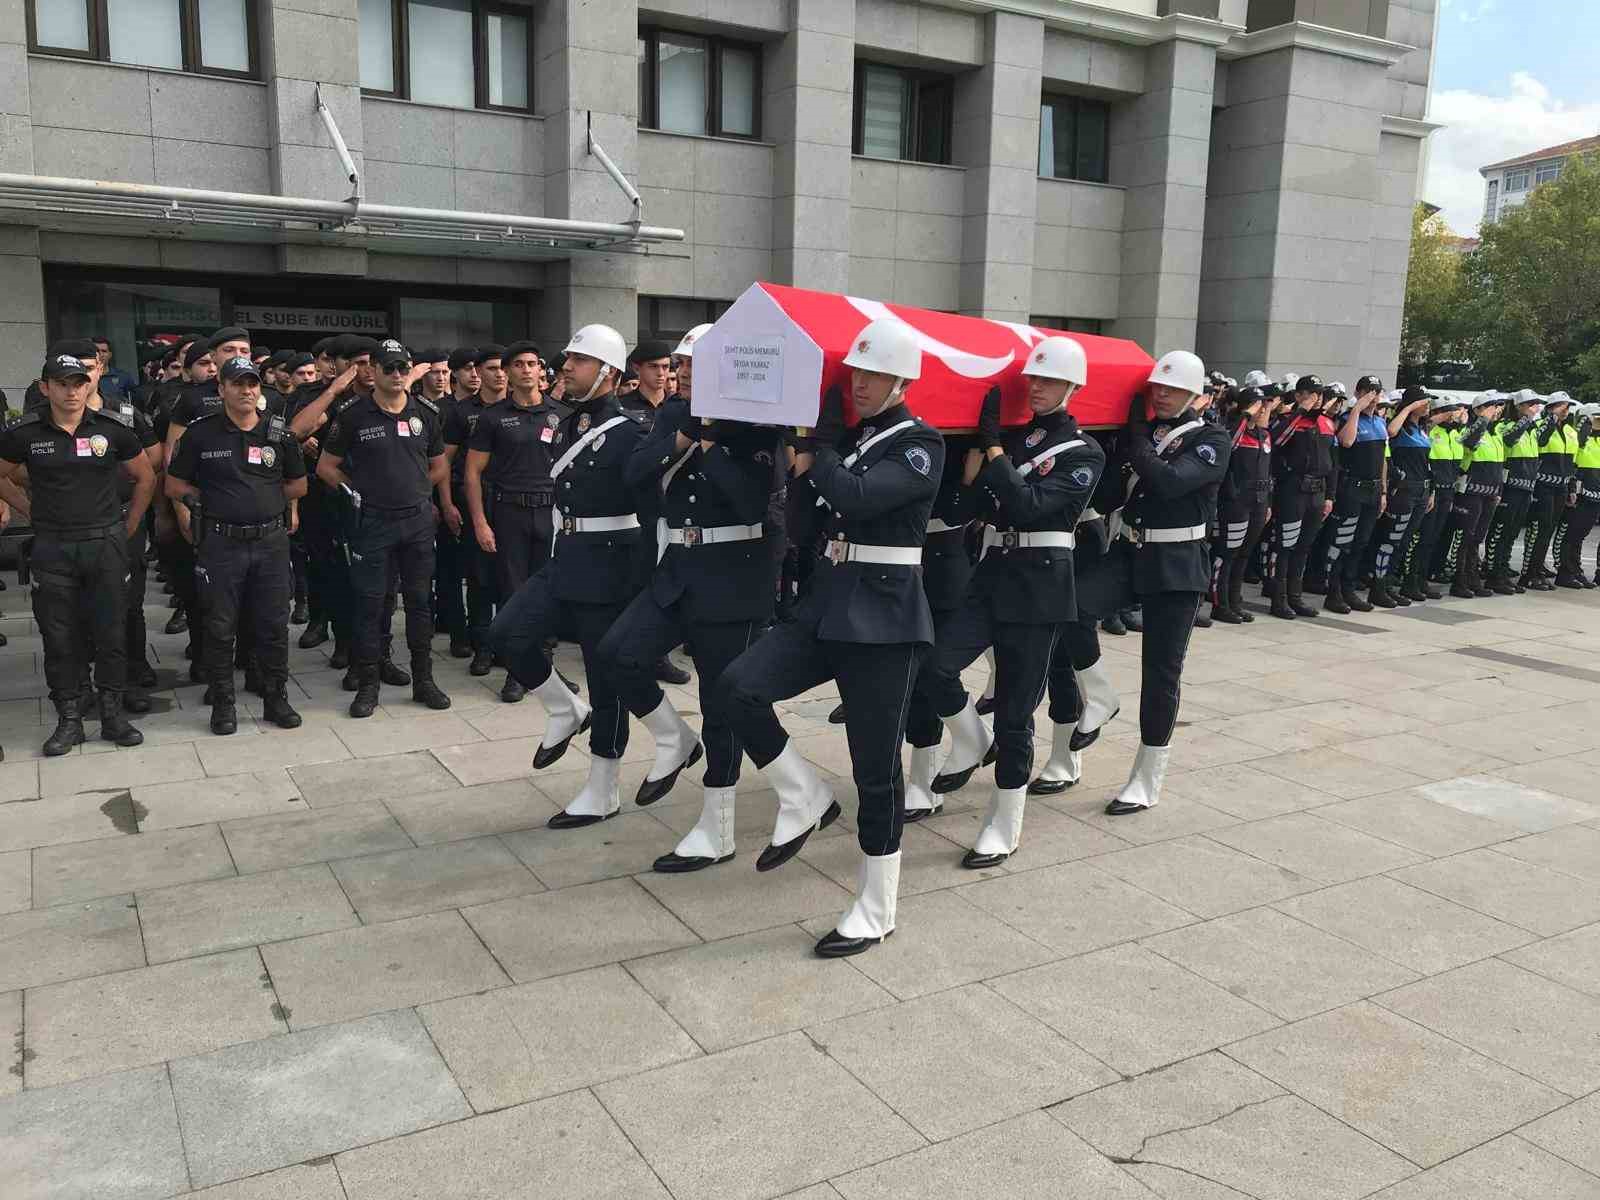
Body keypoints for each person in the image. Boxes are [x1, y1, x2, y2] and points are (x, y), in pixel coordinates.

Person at [718, 318, 945, 958]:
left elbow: (862, 497)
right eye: (855, 375)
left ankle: (878, 905)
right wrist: (806, 459)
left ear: (902, 379)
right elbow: (806, 516)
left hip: (884, 616)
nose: (861, 384)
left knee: (875, 768)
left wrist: (821, 452)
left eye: (873, 375)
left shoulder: (921, 444)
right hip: (828, 603)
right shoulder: (856, 439)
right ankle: (805, 794)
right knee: (739, 689)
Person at [910, 337, 1102, 867]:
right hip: (989, 574)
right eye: (1031, 380)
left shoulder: (1085, 451)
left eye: (1047, 380)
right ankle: (972, 740)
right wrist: (977, 458)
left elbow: (1028, 504)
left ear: (1073, 387)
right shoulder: (1014, 443)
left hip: (1040, 589)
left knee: (1017, 711)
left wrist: (994, 450)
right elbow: (974, 506)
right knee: (933, 667)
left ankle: (1005, 822)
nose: (1035, 388)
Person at [595, 327, 782, 870]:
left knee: (720, 702)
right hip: (677, 568)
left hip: (733, 572)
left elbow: (752, 498)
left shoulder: (753, 423)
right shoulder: (675, 415)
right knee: (617, 655)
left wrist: (712, 441)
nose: (680, 371)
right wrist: (682, 438)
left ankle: (717, 828)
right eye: (678, 362)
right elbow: (632, 474)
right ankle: (674, 739)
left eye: (693, 363)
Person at [485, 324, 646, 827]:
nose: (566, 368)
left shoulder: (630, 432)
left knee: (606, 679)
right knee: (506, 634)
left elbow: (651, 507)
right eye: (569, 359)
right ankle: (564, 709)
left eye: (579, 361)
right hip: (566, 553)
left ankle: (604, 789)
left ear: (609, 373)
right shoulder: (568, 423)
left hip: (610, 561)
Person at [0, 349, 157, 755]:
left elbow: (145, 477)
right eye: (62, 384)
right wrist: (28, 509)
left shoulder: (112, 429)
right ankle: (70, 719)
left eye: (78, 383)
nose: (71, 391)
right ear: (45, 388)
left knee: (111, 631)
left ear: (89, 385)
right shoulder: (26, 433)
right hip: (53, 546)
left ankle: (111, 714)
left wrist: (130, 526)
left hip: (104, 544)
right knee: (59, 636)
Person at [1100, 350, 1229, 816]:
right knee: (1069, 610)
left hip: (1176, 562)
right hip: (1129, 552)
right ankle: (1096, 699)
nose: (1163, 395)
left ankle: (1147, 775)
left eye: (1173, 389)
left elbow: (1172, 482)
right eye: (1158, 388)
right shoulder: (1146, 434)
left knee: (1161, 671)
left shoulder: (1212, 437)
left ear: (1195, 395)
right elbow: (1114, 493)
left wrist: (1135, 443)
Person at [166, 357, 306, 734]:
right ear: (222, 389)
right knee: (219, 626)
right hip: (221, 544)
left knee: (274, 624)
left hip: (270, 544)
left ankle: (276, 699)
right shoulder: (200, 435)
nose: (247, 391)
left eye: (253, 384)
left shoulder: (279, 434)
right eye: (238, 384)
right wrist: (209, 503)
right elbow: (175, 485)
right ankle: (223, 703)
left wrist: (263, 501)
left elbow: (297, 485)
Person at [316, 341, 452, 716]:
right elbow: (326, 467)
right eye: (388, 368)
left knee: (421, 603)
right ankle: (369, 686)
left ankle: (424, 681)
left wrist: (419, 489)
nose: (396, 375)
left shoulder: (425, 413)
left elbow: (440, 465)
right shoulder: (354, 415)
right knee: (371, 606)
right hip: (373, 524)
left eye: (402, 368)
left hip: (417, 522)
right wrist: (357, 492)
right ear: (373, 370)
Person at [464, 340, 563, 703]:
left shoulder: (561, 413)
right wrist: (480, 522)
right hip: (509, 514)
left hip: (551, 512)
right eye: (518, 364)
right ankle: (517, 672)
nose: (526, 370)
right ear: (506, 372)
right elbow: (472, 473)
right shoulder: (492, 418)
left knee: (551, 593)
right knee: (513, 594)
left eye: (532, 363)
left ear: (541, 370)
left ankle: (547, 671)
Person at [622, 339, 693, 687]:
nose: (664, 373)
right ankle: (650, 652)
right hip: (642, 509)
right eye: (656, 366)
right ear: (638, 368)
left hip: (678, 511)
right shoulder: (624, 408)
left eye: (667, 367)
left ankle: (666, 649)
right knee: (645, 582)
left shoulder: (679, 407)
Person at [1267, 376, 1336, 620]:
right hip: (1293, 489)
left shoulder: (1327, 423)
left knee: (1304, 547)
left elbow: (1333, 463)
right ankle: (1279, 598)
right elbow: (1277, 441)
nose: (1316, 398)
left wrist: (1330, 495)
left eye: (1319, 394)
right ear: (1298, 396)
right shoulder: (1288, 420)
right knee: (1285, 545)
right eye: (1310, 393)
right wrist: (1300, 412)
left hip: (1318, 491)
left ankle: (1295, 597)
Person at [1320, 376, 1388, 614]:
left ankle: (1349, 589)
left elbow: (1383, 460)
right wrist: (1357, 408)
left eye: (1377, 392)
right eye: (1369, 391)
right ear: (1358, 392)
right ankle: (1334, 591)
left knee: (1361, 541)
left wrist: (1383, 490)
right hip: (1352, 488)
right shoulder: (1347, 418)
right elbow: (1346, 442)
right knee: (1343, 542)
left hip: (1372, 488)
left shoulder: (1379, 422)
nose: (1374, 396)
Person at [1209, 385, 1274, 623]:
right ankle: (1219, 603)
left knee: (1244, 555)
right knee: (1226, 554)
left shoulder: (1265, 435)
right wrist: (1245, 416)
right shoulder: (1233, 429)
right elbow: (1228, 447)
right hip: (1235, 502)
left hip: (1258, 502)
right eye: (1260, 405)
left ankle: (1234, 601)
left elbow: (1269, 472)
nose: (1265, 410)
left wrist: (1268, 502)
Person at [1368, 386, 1434, 607]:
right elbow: (1391, 432)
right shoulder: (1401, 426)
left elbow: (1427, 464)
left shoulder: (1422, 429)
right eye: (1424, 402)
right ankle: (1378, 587)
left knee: (1405, 541)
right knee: (1391, 540)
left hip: (1421, 490)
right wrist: (1408, 409)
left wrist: (1430, 490)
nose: (1427, 405)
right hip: (1404, 491)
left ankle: (1390, 584)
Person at [1521, 392, 1577, 590]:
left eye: (1567, 407)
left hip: (1561, 486)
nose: (1565, 411)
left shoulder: (1569, 430)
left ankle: (1537, 571)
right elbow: (1541, 441)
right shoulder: (1542, 425)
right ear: (1551, 407)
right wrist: (1552, 417)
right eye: (1561, 407)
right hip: (1543, 484)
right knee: (1539, 530)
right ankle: (1528, 574)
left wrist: (1571, 487)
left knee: (1549, 530)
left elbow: (1572, 461)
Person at [1555, 403, 1600, 588]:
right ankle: (1565, 572)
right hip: (1579, 494)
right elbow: (1573, 463)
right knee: (1572, 534)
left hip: (1595, 493)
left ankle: (1576, 570)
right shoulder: (1577, 437)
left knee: (1581, 535)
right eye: (1596, 418)